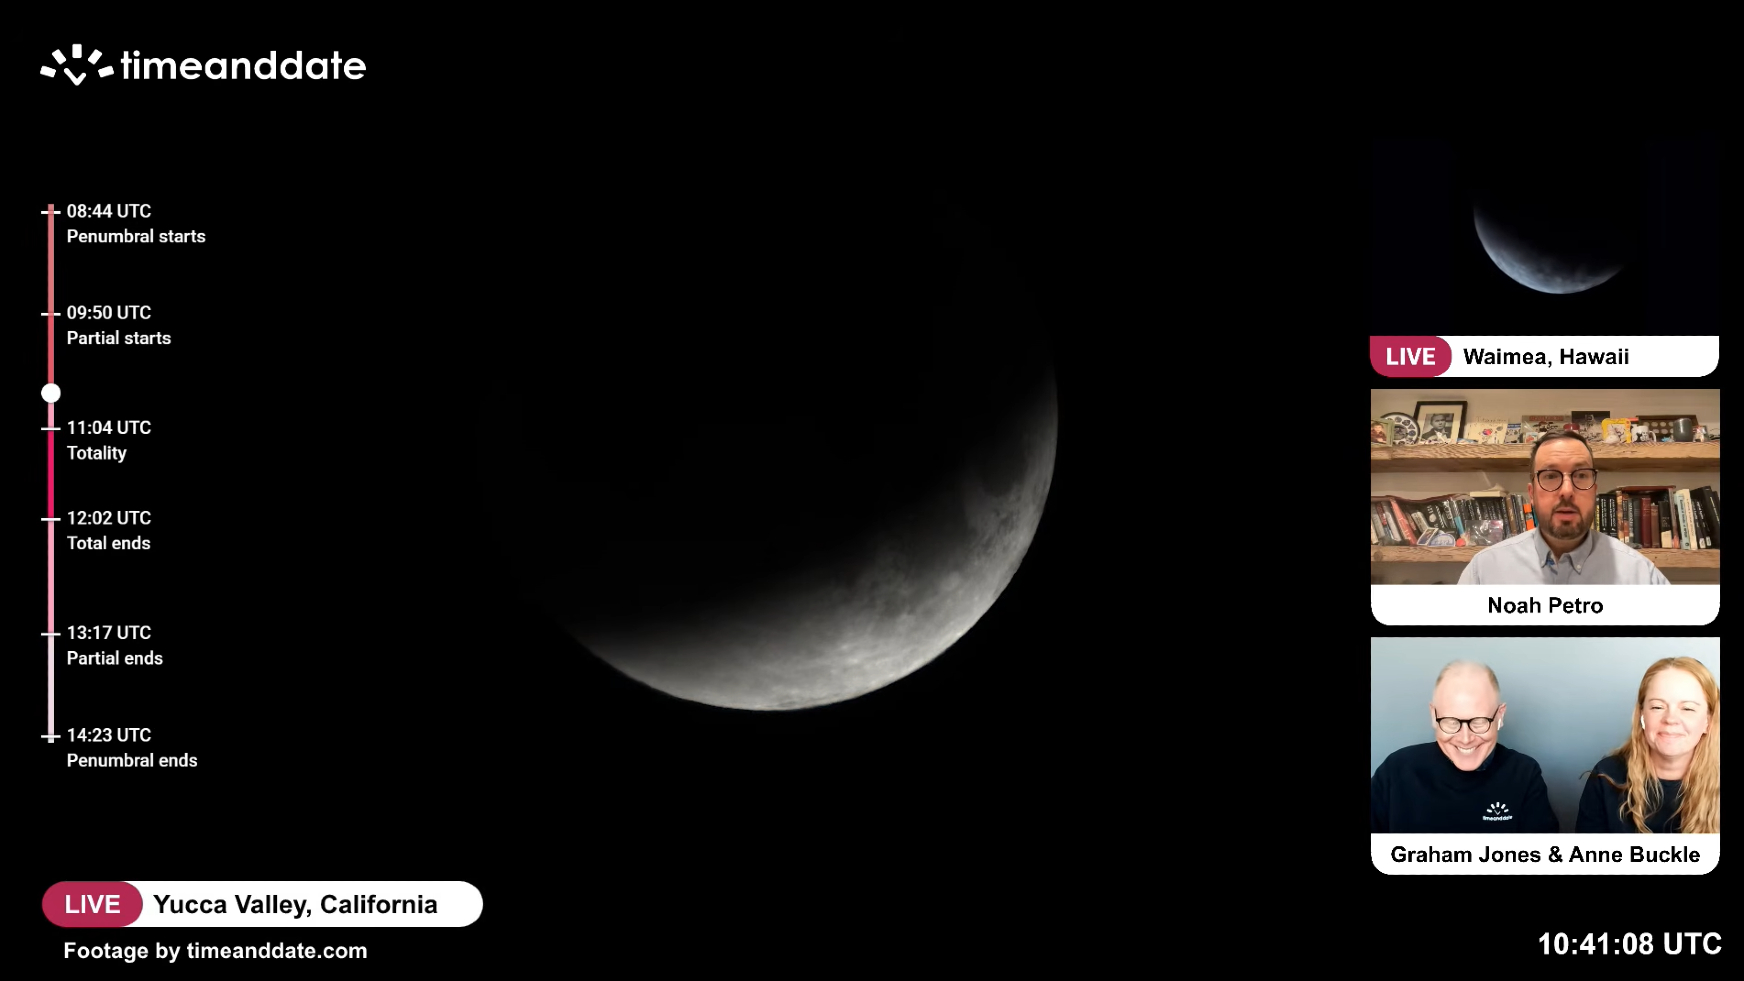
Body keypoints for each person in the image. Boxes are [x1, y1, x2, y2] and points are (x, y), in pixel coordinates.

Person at [1458, 431, 1669, 585]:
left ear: (1594, 490)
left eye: (1580, 475)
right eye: (1550, 476)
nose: (1567, 491)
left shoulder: (1641, 575)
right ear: (1531, 494)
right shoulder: (1484, 572)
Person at [1371, 660, 1559, 832]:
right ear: (1433, 716)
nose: (1466, 738)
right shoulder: (1395, 770)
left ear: (1500, 716)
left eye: (1479, 722)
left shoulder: (1524, 773)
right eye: (1451, 722)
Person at [1576, 657, 1719, 833]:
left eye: (1687, 708)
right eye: (1658, 707)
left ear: (1708, 721)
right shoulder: (1606, 776)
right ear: (1642, 715)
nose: (1670, 719)